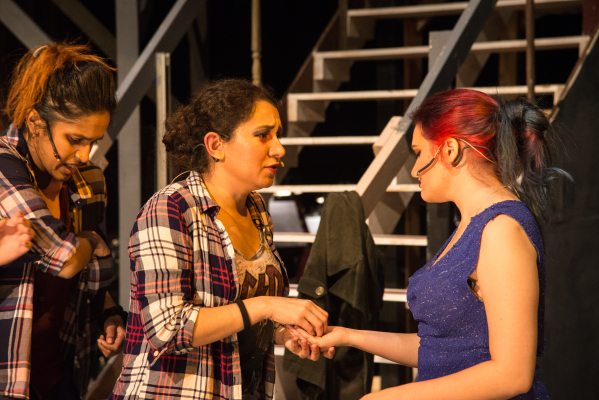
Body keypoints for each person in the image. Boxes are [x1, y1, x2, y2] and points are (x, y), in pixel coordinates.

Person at [297, 89, 567, 399]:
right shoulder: (471, 225)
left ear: (450, 149)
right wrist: (348, 336)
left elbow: (512, 375)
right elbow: (438, 351)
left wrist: (388, 397)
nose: (415, 169)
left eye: (418, 152)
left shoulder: (501, 229)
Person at [109, 79, 333, 400]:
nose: (279, 148)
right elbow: (167, 329)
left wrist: (286, 334)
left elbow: (243, 316)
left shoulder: (256, 208)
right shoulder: (171, 209)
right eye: (263, 135)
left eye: (278, 135)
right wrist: (268, 306)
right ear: (215, 145)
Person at [0, 43, 126, 400]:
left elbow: (87, 274)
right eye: (75, 139)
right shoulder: (4, 166)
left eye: (93, 141)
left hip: (59, 369)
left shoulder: (89, 181)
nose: (84, 155)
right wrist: (90, 242)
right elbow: (67, 259)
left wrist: (108, 313)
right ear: (35, 122)